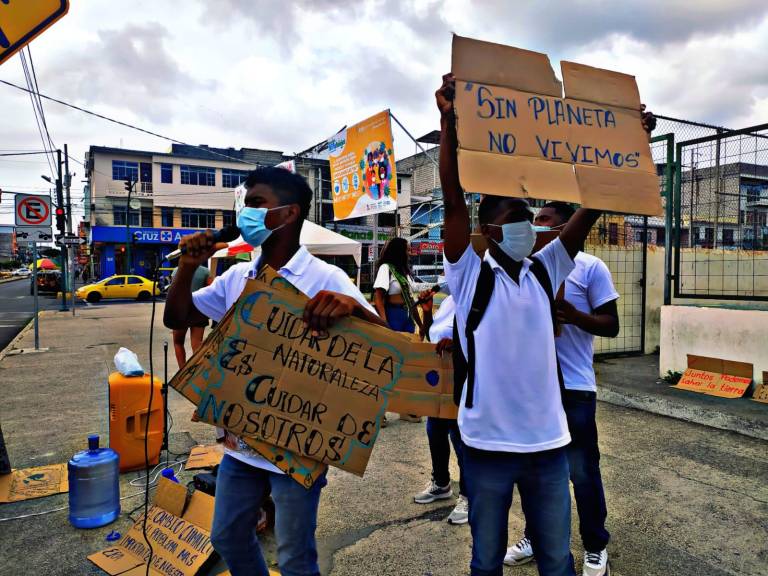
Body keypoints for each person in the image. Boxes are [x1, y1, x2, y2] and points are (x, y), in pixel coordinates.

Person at [164, 167, 385, 576]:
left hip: (297, 448)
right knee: (227, 536)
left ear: (288, 214)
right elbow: (177, 316)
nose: (245, 214)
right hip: (239, 445)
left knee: (296, 557)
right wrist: (187, 265)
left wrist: (353, 308)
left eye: (255, 204)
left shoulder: (326, 277)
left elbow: (387, 346)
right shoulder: (237, 276)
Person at [436, 72, 606, 576]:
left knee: (556, 559)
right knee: (485, 560)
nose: (526, 226)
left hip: (549, 446)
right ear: (487, 229)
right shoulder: (469, 273)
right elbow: (450, 194)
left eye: (530, 217)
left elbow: (592, 206)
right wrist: (448, 123)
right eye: (514, 217)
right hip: (485, 445)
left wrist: (627, 144)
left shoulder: (544, 269)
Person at [504, 202, 620, 576]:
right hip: (534, 390)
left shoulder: (590, 268)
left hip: (574, 388)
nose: (535, 227)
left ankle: (594, 545)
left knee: (582, 470)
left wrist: (574, 316)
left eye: (543, 220)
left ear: (567, 226)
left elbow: (611, 325)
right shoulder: (522, 269)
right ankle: (535, 537)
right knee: (534, 470)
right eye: (533, 220)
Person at [413, 292, 468, 525]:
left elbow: (484, 337)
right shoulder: (448, 301)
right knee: (434, 432)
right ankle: (441, 483)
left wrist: (457, 344)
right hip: (440, 379)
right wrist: (426, 312)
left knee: (459, 438)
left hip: (460, 379)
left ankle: (469, 495)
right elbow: (429, 334)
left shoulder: (473, 297)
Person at [373, 236, 423, 424]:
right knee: (388, 365)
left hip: (406, 317)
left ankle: (404, 409)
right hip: (392, 317)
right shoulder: (386, 269)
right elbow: (379, 296)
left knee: (406, 365)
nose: (409, 252)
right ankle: (380, 411)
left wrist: (420, 323)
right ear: (398, 251)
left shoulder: (405, 272)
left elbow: (411, 297)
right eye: (407, 249)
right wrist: (384, 322)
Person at [170, 264, 211, 368]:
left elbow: (173, 292)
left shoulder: (176, 270)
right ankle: (195, 374)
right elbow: (210, 291)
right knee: (197, 345)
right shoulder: (205, 272)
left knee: (178, 342)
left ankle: (182, 372)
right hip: (199, 310)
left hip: (180, 310)